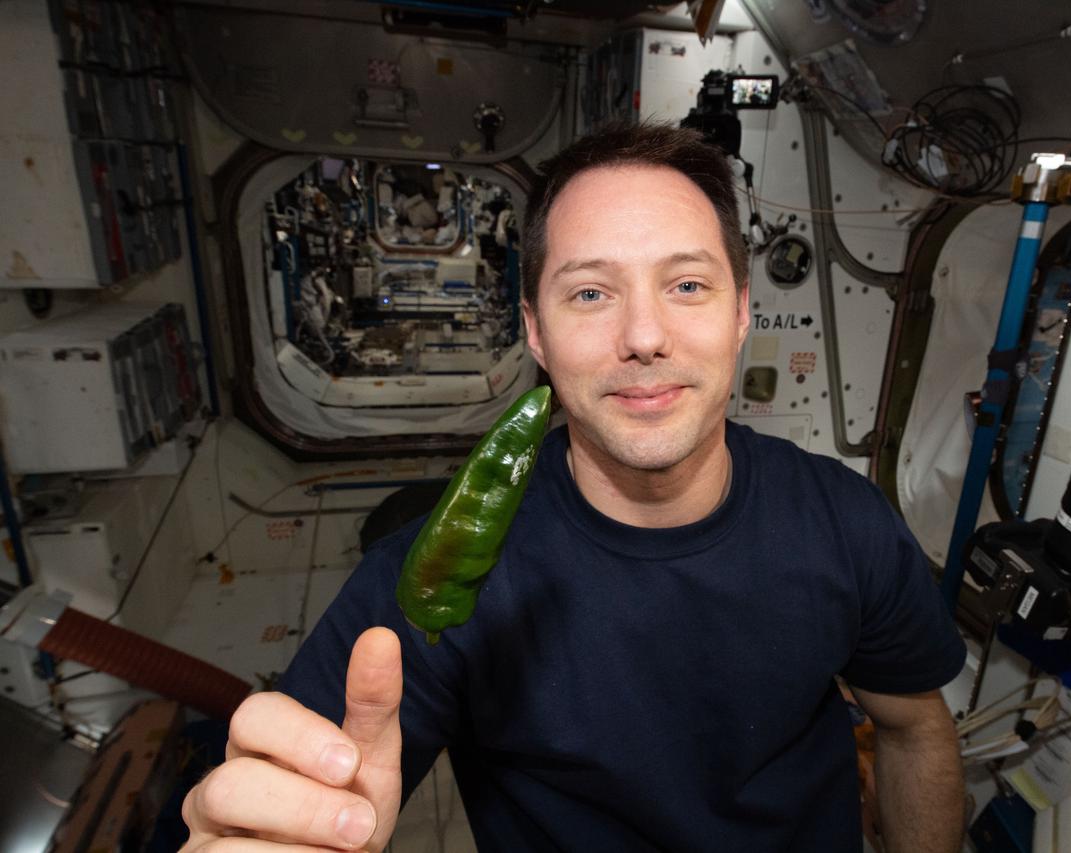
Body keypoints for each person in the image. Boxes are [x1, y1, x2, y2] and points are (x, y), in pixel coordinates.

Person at [180, 122, 967, 852]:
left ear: (740, 315)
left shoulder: (846, 522)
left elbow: (914, 727)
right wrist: (290, 822)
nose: (645, 337)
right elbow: (308, 790)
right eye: (591, 292)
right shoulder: (430, 579)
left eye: (687, 285)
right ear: (534, 331)